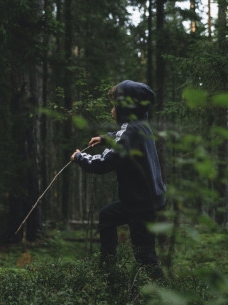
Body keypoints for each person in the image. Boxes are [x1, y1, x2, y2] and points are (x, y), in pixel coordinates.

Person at [70, 80, 166, 281]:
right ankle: (108, 271)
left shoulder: (130, 131)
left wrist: (79, 157)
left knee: (145, 256)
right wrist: (105, 138)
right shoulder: (140, 125)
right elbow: (121, 137)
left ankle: (162, 291)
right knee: (107, 216)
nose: (112, 110)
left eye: (114, 106)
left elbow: (104, 162)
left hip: (140, 204)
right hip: (144, 199)